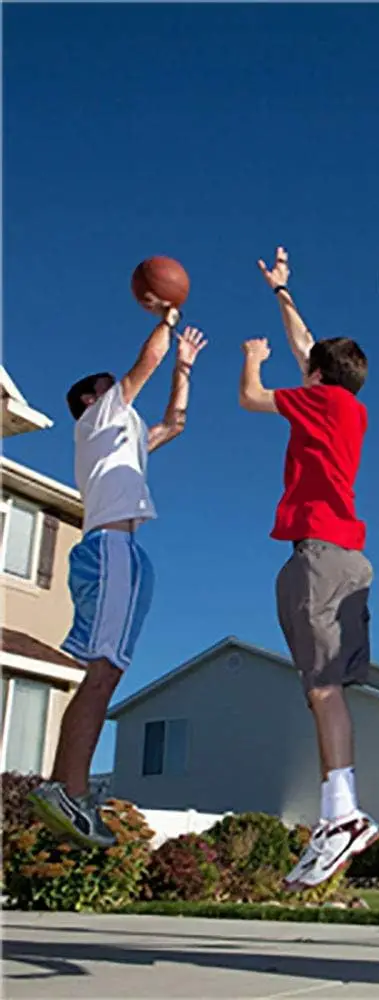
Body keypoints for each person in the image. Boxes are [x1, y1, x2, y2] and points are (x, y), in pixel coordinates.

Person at [30, 302, 207, 848]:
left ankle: (68, 787)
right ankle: (68, 787)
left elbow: (174, 424)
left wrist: (184, 369)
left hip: (121, 552)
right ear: (91, 399)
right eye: (108, 385)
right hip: (110, 549)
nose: (118, 388)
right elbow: (142, 363)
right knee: (104, 671)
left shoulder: (123, 432)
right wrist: (167, 318)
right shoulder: (97, 418)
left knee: (107, 670)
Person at [241, 247, 379, 890]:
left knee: (320, 688)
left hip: (319, 557)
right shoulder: (343, 406)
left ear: (319, 376)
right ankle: (339, 810)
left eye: (309, 367)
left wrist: (252, 359)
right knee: (329, 688)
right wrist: (283, 293)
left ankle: (343, 814)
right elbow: (309, 349)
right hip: (349, 560)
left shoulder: (314, 402)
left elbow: (251, 399)